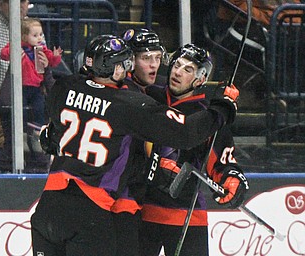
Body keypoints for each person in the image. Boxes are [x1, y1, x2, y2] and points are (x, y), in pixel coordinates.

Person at [30, 34, 240, 256]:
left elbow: (56, 125)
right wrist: (224, 108)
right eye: (141, 58)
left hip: (49, 204)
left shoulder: (66, 86)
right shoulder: (128, 102)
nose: (153, 65)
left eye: (158, 58)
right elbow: (185, 132)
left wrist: (52, 135)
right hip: (97, 208)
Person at [139, 44, 249, 256]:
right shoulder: (149, 96)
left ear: (200, 80)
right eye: (177, 65)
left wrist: (231, 178)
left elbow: (222, 164)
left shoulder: (208, 115)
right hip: (142, 211)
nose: (178, 72)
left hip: (186, 216)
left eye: (188, 70)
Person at [0, 17, 62, 127]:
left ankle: (38, 131)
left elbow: (52, 61)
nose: (39, 38)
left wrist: (56, 57)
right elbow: (3, 54)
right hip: (20, 87)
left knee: (39, 108)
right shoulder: (16, 46)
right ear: (24, 37)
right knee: (20, 110)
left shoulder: (42, 49)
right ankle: (21, 132)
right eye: (35, 35)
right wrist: (13, 51)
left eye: (41, 34)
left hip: (37, 88)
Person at [0, 0, 29, 131]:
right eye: (16, 2)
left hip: (26, 87)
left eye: (23, 2)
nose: (20, 6)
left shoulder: (31, 25)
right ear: (1, 4)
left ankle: (36, 147)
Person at [122, 28, 168, 92]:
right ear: (129, 61)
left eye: (157, 57)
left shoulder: (164, 87)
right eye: (146, 58)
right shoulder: (121, 92)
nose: (154, 65)